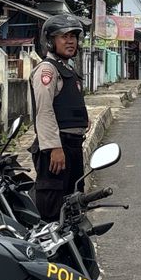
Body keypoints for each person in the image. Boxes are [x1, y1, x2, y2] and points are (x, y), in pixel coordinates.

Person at [29, 13, 90, 223]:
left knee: (73, 203)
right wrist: (54, 147)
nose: (70, 41)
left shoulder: (67, 69)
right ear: (50, 40)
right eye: (64, 36)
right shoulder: (48, 70)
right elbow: (44, 111)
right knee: (53, 208)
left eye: (73, 36)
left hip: (72, 147)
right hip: (57, 149)